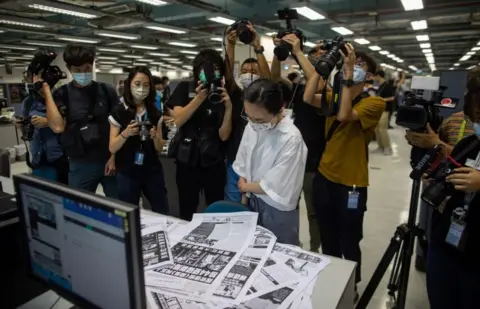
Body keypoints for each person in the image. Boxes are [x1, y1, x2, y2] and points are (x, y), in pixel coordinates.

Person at [304, 45, 385, 292]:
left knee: (349, 239)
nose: (354, 66)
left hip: (352, 184)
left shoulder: (375, 102)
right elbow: (308, 97)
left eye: (361, 65)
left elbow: (344, 115)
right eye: (352, 62)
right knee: (328, 236)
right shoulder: (336, 95)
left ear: (369, 76)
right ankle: (331, 279)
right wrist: (322, 68)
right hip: (325, 177)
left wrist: (348, 73)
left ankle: (351, 286)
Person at [425, 72, 480, 309]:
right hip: (447, 243)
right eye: (476, 117)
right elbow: (450, 170)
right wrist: (438, 179)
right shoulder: (469, 144)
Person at [233, 79, 307, 245]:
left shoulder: (290, 138)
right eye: (248, 116)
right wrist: (243, 180)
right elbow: (244, 156)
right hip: (253, 198)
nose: (253, 123)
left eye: (259, 120)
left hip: (276, 206)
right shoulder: (252, 124)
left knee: (280, 251)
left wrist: (245, 186)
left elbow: (278, 184)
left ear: (278, 110)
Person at [270, 35, 326, 252]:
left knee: (313, 212)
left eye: (323, 55)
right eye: (315, 53)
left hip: (314, 161)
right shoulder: (296, 88)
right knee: (287, 206)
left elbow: (318, 81)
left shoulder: (329, 89)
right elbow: (275, 77)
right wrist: (279, 53)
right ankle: (291, 245)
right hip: (289, 160)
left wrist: (299, 52)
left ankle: (314, 250)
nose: (318, 57)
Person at [167, 49, 233, 220]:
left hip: (214, 160)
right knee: (187, 208)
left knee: (215, 208)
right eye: (206, 69)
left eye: (216, 69)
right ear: (197, 71)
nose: (211, 73)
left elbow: (224, 136)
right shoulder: (184, 88)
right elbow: (178, 120)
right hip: (187, 160)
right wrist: (199, 98)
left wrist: (228, 109)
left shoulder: (222, 94)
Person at [45, 44, 118, 198]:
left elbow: (118, 125)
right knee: (79, 206)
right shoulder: (62, 94)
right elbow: (57, 126)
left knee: (119, 206)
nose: (83, 73)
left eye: (87, 69)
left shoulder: (107, 91)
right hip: (80, 163)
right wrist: (46, 90)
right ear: (69, 69)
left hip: (109, 159)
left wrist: (114, 157)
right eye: (77, 70)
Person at [108, 66, 168, 214]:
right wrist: (125, 134)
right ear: (130, 85)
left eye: (146, 85)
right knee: (129, 213)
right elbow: (112, 147)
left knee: (161, 209)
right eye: (137, 84)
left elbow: (159, 148)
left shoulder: (155, 113)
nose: (141, 89)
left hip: (151, 170)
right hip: (128, 171)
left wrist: (156, 137)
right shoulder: (119, 111)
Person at [223, 23, 271, 203]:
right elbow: (227, 76)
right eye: (244, 72)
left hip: (261, 165)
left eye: (253, 72)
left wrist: (257, 48)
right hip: (236, 160)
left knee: (258, 208)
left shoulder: (265, 97)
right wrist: (231, 45)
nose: (248, 75)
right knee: (235, 205)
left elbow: (268, 81)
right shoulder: (236, 95)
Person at [20, 70, 68, 184]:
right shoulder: (28, 102)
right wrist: (25, 124)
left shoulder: (58, 99)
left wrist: (47, 122)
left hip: (57, 154)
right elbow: (25, 125)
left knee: (62, 189)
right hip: (37, 154)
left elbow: (66, 125)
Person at [373, 70, 394, 155]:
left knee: (382, 129)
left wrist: (381, 100)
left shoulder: (388, 85)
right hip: (379, 109)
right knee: (377, 129)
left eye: (375, 76)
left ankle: (387, 147)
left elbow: (392, 98)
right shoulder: (380, 86)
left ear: (378, 76)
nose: (374, 78)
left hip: (385, 109)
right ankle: (380, 146)